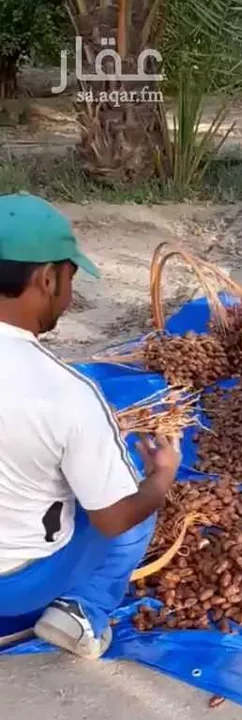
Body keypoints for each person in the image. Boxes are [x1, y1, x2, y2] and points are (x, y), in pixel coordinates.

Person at [0, 194, 180, 658]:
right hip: (13, 587)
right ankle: (81, 614)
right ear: (46, 278)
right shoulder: (66, 393)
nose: (69, 296)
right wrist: (161, 477)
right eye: (68, 280)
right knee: (131, 510)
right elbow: (114, 518)